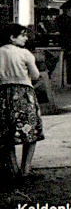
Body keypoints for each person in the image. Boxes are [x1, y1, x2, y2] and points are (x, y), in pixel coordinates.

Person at [0, 24, 45, 179]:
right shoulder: (25, 53)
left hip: (2, 95)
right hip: (24, 95)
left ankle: (12, 170)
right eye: (23, 35)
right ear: (12, 37)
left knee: (6, 135)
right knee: (30, 132)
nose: (26, 38)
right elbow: (35, 75)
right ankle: (25, 170)